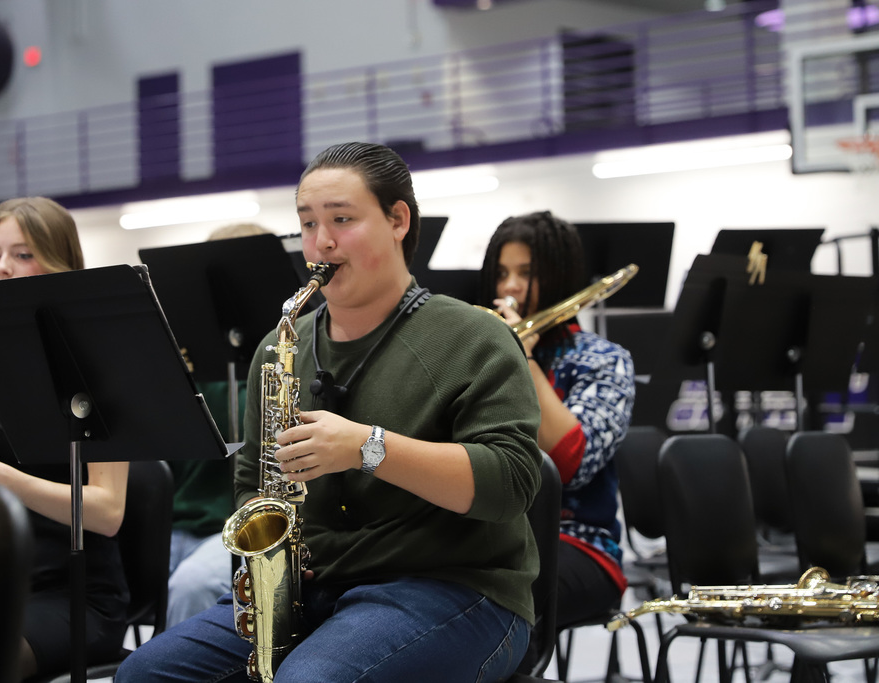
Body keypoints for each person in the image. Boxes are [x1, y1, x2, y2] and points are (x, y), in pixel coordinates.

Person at [117, 142, 543, 683]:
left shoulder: (473, 335)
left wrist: (368, 447)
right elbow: (252, 482)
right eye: (308, 223)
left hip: (458, 588)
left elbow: (512, 483)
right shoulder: (278, 346)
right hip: (312, 591)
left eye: (342, 219)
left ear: (398, 220)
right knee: (143, 675)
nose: (321, 242)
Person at [0, 197, 129, 680]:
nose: (2, 268)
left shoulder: (98, 369)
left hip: (75, 596)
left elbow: (108, 513)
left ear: (62, 265)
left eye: (24, 254)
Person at [479, 210, 635, 633]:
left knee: (495, 608)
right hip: (493, 541)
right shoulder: (482, 356)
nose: (508, 286)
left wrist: (522, 358)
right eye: (502, 273)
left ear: (559, 274)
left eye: (526, 272)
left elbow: (568, 465)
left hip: (581, 545)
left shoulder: (604, 360)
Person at [164, 221, 269, 628]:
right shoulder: (182, 365)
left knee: (191, 586)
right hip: (176, 525)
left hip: (238, 527)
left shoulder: (281, 363)